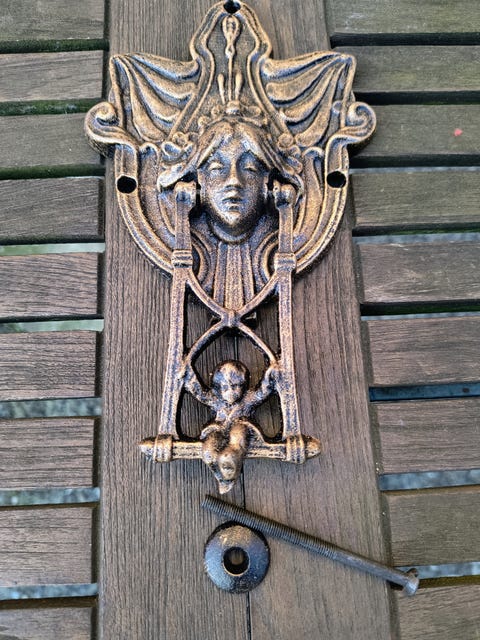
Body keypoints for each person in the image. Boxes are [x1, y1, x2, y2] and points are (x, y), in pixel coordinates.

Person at [184, 359, 278, 491]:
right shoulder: (216, 400)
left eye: (235, 386)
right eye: (225, 387)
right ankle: (223, 478)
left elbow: (262, 392)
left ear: (243, 385)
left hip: (240, 429)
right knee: (208, 452)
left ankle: (230, 463)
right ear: (218, 388)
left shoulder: (247, 400)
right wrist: (187, 375)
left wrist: (270, 375)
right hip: (218, 430)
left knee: (235, 441)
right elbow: (199, 392)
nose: (230, 392)